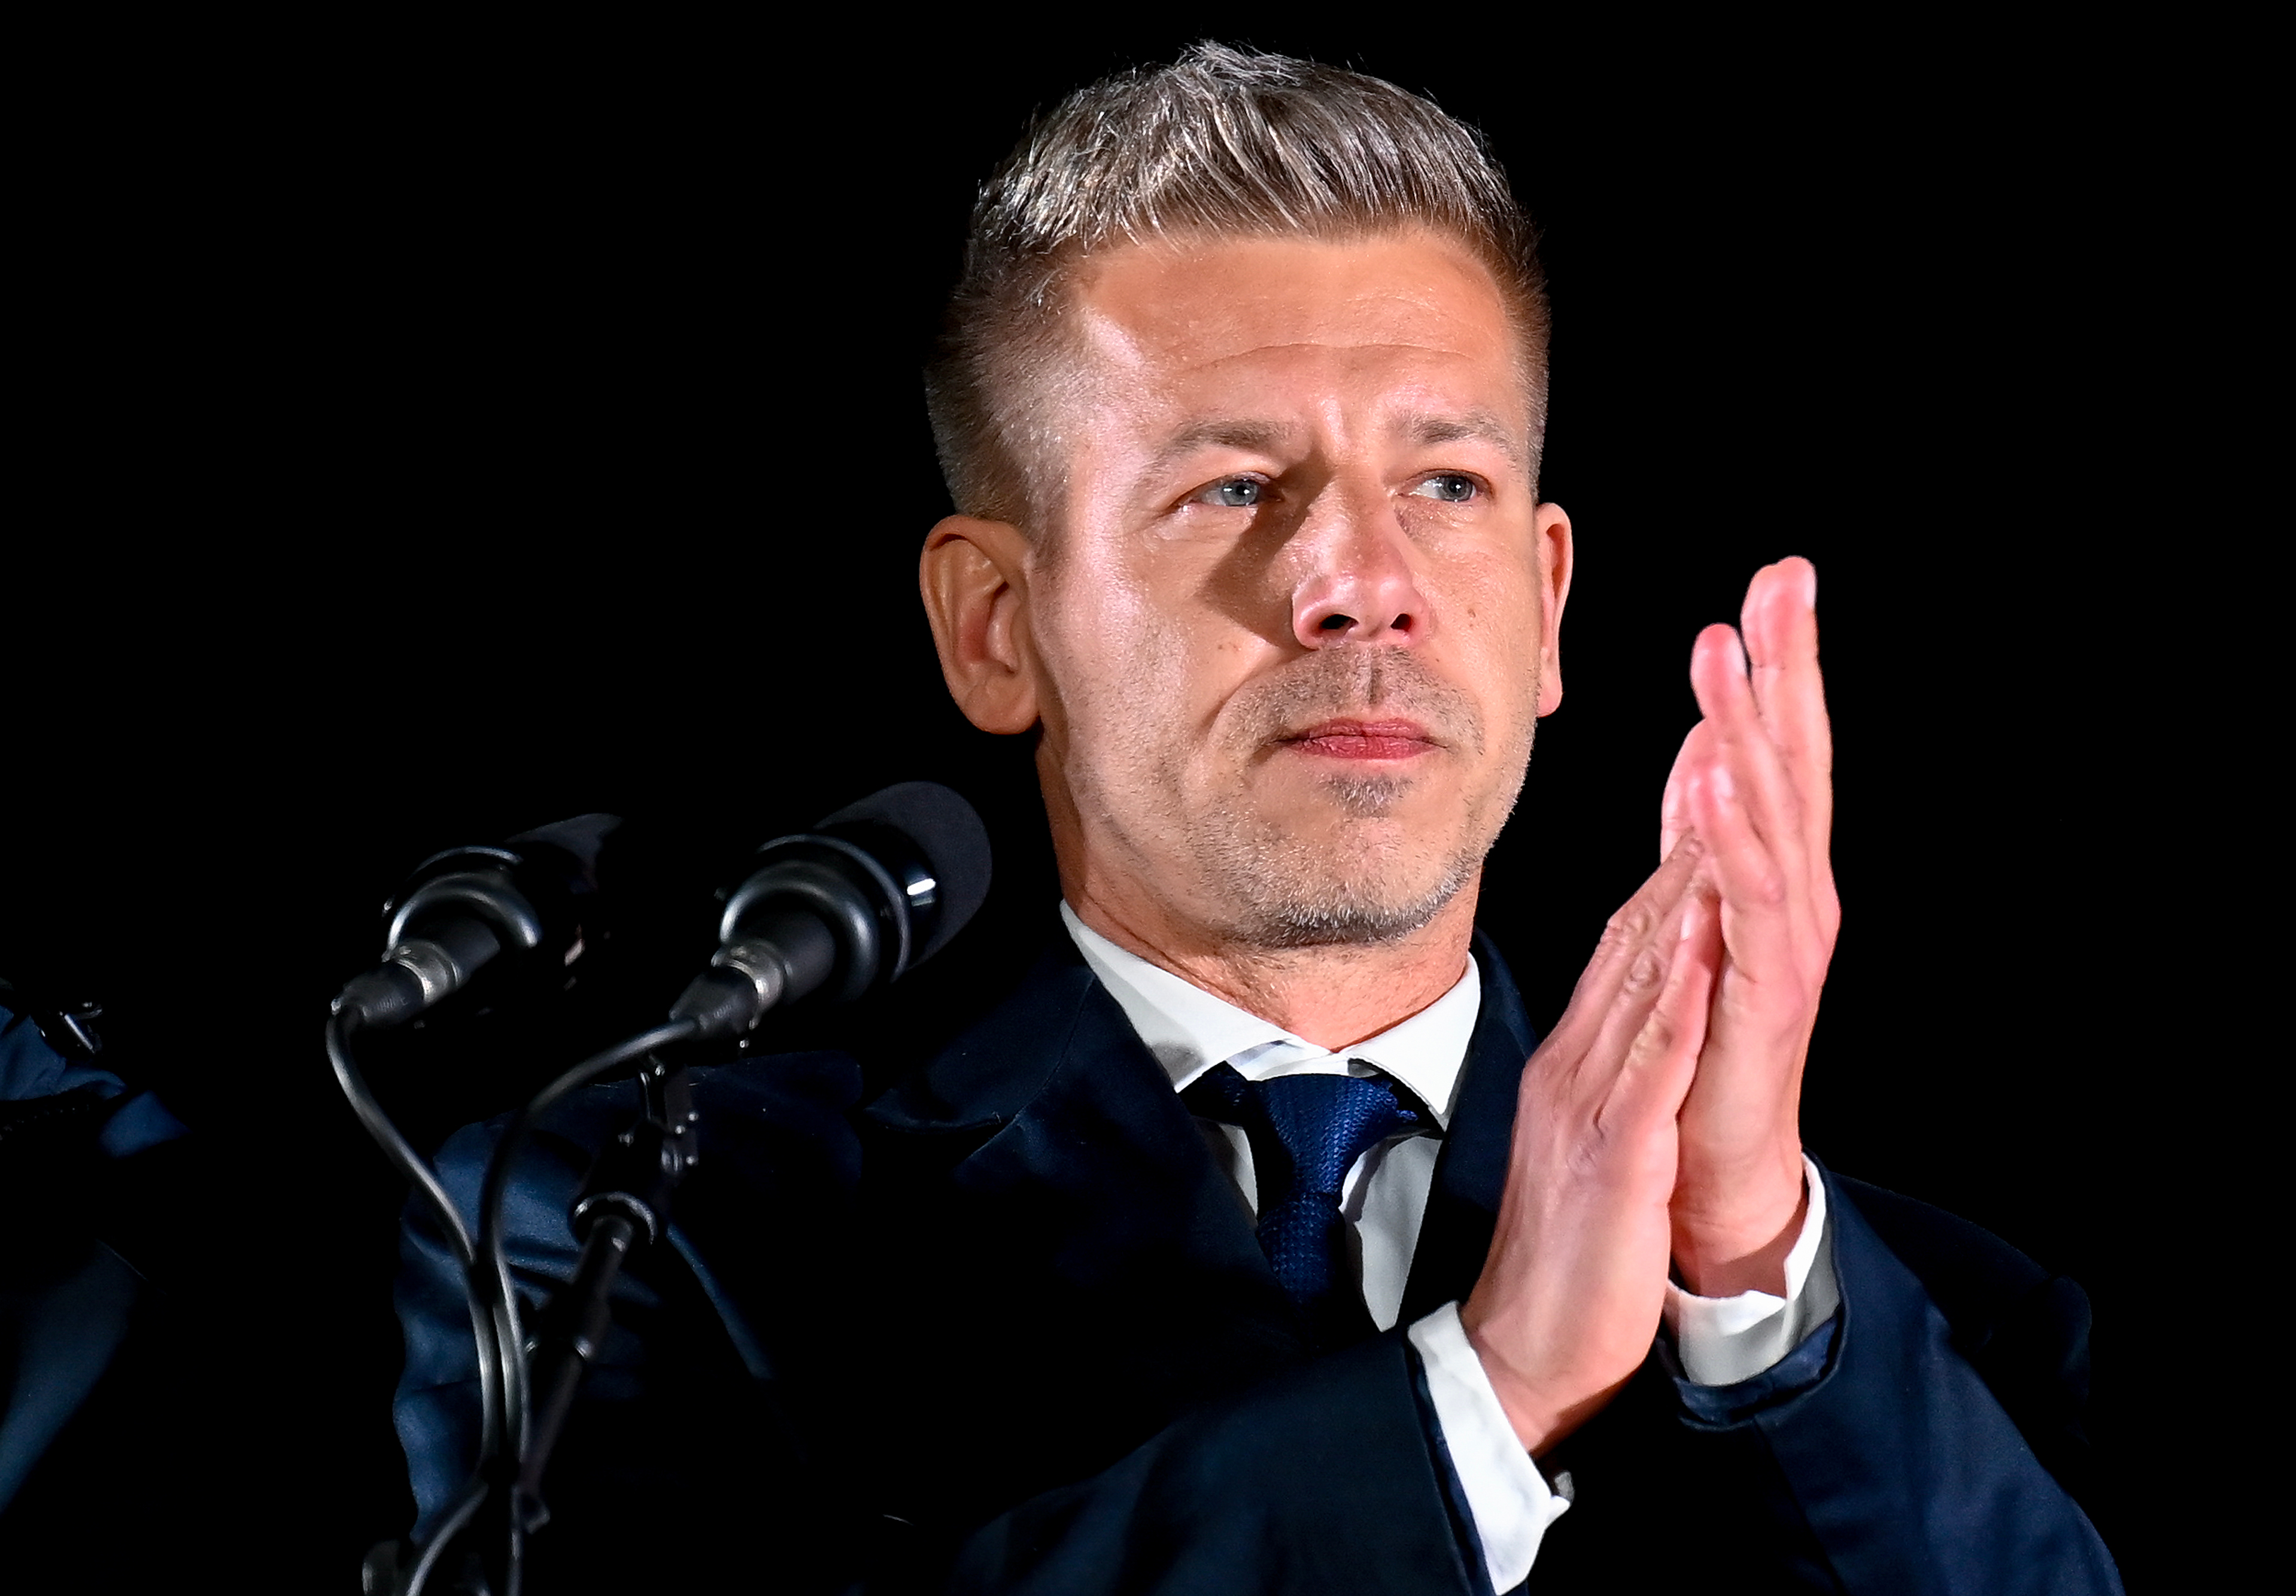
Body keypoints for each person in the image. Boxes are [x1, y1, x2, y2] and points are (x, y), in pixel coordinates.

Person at [396, 45, 2116, 1593]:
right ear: (997, 624)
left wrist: (1740, 1264)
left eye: (1445, 484)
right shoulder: (626, 1233)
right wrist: (1490, 1387)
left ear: (1545, 599)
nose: (1361, 584)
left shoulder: (1926, 1317)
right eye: (1232, 487)